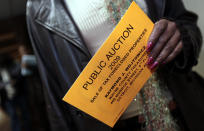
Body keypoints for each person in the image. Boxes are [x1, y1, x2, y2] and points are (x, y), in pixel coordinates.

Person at [26, 0, 203, 130]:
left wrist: (181, 36)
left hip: (184, 111)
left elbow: (187, 24)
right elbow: (53, 91)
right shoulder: (41, 7)